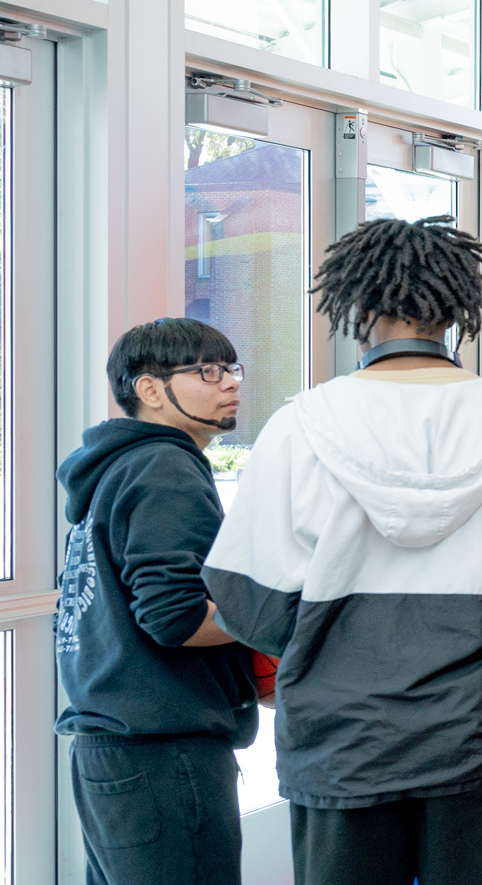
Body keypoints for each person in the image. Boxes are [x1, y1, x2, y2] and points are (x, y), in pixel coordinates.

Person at [202, 216, 482, 885]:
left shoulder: (297, 428)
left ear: (358, 306)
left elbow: (247, 605)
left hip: (343, 747)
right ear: (458, 311)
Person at [56, 318, 257, 885]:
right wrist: (282, 613)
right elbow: (178, 618)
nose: (230, 383)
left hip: (111, 750)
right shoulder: (164, 466)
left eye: (232, 368)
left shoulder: (115, 467)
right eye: (208, 371)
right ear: (149, 389)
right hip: (164, 754)